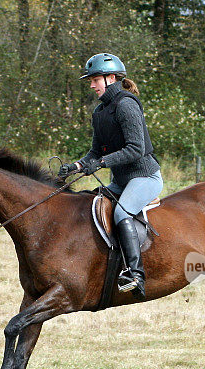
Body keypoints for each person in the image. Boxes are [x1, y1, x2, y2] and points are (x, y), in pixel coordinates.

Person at [58, 52, 163, 300]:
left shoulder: (126, 105)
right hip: (121, 181)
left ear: (111, 78)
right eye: (91, 80)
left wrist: (102, 163)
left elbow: (135, 149)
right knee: (92, 205)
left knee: (121, 213)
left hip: (145, 177)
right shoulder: (100, 112)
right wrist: (76, 166)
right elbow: (95, 152)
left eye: (95, 80)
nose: (92, 85)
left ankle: (136, 275)